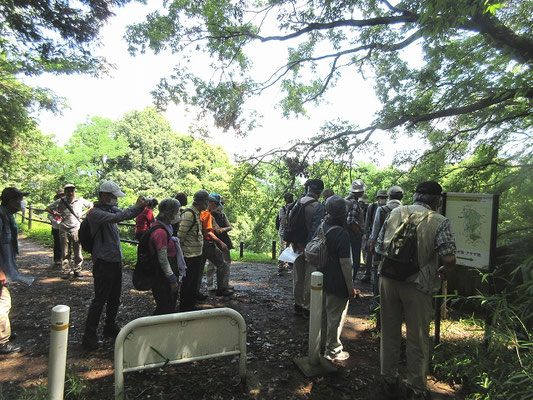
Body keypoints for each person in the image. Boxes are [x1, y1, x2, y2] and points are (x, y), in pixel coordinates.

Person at [376, 181, 456, 400]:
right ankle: (415, 388)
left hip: (388, 279)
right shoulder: (438, 220)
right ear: (436, 200)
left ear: (416, 196)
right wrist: (444, 268)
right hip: (417, 285)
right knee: (417, 337)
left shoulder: (395, 213)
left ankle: (388, 379)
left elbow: (378, 246)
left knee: (390, 331)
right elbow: (448, 257)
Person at [82, 181, 147, 350]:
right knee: (100, 299)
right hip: (103, 262)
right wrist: (136, 206)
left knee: (115, 297)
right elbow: (119, 217)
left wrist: (142, 207)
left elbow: (125, 214)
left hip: (115, 260)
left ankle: (109, 325)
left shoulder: (109, 209)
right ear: (103, 195)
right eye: (112, 196)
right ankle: (89, 335)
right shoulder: (95, 213)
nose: (115, 199)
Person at [320, 195, 356, 361]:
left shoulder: (323, 225)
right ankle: (333, 350)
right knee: (335, 316)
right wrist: (350, 288)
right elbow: (346, 264)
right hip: (337, 281)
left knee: (323, 314)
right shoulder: (342, 233)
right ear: (343, 213)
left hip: (321, 277)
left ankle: (320, 344)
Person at [0, 187, 31, 354]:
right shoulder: (1, 216)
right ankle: (2, 340)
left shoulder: (6, 216)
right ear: (11, 201)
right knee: (3, 303)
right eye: (19, 199)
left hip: (5, 267)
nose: (21, 202)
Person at [291, 178, 325, 318]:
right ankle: (307, 307)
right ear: (319, 192)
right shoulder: (318, 206)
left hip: (296, 247)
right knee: (310, 277)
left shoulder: (297, 202)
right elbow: (315, 228)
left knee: (298, 277)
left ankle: (297, 305)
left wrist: (294, 243)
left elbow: (290, 223)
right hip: (309, 248)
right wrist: (308, 247)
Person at [46, 184, 92, 279]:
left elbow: (91, 205)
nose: (70, 193)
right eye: (68, 191)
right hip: (63, 229)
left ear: (75, 191)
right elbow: (47, 208)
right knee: (65, 252)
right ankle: (66, 271)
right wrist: (56, 213)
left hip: (76, 229)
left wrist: (83, 213)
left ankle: (77, 269)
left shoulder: (80, 200)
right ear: (65, 192)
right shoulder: (61, 201)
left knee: (78, 251)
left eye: (72, 191)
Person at [368, 185, 404, 308]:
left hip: (381, 248)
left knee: (378, 273)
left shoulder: (382, 209)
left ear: (389, 197)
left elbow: (376, 228)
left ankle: (376, 302)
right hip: (398, 249)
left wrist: (372, 243)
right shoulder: (406, 210)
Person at [149, 198, 186, 315]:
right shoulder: (160, 232)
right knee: (165, 305)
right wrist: (172, 279)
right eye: (176, 211)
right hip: (163, 274)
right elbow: (162, 258)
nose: (178, 214)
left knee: (168, 303)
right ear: (169, 213)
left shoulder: (165, 227)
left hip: (167, 269)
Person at [177, 190, 207, 312]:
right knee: (188, 283)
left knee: (193, 282)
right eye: (206, 201)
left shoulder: (197, 213)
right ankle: (185, 307)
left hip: (196, 254)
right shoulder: (189, 214)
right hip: (189, 255)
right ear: (202, 202)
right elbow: (180, 236)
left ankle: (191, 304)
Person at [199, 194, 233, 297]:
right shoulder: (207, 214)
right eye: (218, 204)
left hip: (201, 243)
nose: (218, 206)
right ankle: (221, 289)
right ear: (212, 203)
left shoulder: (203, 213)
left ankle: (195, 292)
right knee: (221, 265)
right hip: (207, 243)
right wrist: (220, 242)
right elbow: (209, 232)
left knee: (199, 268)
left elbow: (227, 227)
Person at [361, 189, 388, 283]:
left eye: (384, 198)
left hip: (385, 236)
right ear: (377, 198)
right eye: (381, 198)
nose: (383, 199)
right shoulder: (372, 207)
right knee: (368, 254)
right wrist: (367, 234)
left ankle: (379, 275)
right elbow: (367, 221)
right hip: (372, 234)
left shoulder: (389, 208)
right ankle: (367, 272)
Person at [345, 179, 366, 282]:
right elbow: (350, 221)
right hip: (353, 236)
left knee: (348, 260)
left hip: (346, 235)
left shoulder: (346, 201)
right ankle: (350, 284)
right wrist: (358, 233)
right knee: (354, 261)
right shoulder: (354, 203)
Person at [277, 192, 294, 275]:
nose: (291, 199)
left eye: (291, 197)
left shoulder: (295, 207)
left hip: (292, 232)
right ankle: (280, 266)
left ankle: (287, 265)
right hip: (283, 232)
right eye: (289, 197)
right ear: (285, 199)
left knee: (290, 249)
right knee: (283, 249)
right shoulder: (282, 209)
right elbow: (283, 221)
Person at [48, 189, 65, 268]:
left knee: (65, 242)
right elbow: (49, 214)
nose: (62, 196)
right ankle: (57, 259)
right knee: (57, 243)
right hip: (56, 226)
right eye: (60, 195)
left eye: (63, 194)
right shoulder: (55, 204)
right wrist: (55, 220)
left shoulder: (66, 204)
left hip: (65, 226)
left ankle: (65, 258)